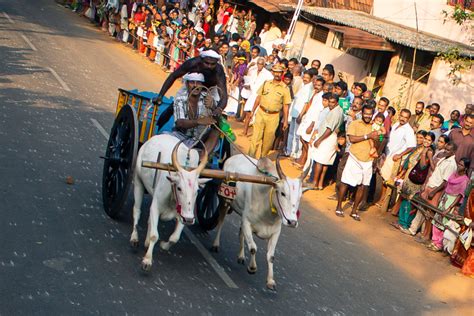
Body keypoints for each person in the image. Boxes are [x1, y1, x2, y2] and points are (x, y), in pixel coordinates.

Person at [403, 142, 458, 241]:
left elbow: (445, 182)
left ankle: (425, 235)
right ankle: (414, 230)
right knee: (421, 209)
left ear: (454, 152)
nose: (445, 151)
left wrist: (434, 192)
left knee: (429, 213)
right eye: (445, 148)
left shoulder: (451, 164)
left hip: (436, 189)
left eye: (448, 150)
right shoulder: (443, 159)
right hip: (430, 186)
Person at [335, 105, 379, 220]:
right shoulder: (355, 123)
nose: (368, 116)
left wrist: (376, 138)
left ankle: (354, 211)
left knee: (362, 186)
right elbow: (352, 139)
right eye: (366, 113)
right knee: (345, 182)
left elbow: (377, 143)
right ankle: (339, 207)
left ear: (373, 114)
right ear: (362, 113)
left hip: (368, 160)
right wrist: (368, 136)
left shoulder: (375, 126)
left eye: (370, 114)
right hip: (354, 157)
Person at [156, 49, 228, 114]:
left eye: (212, 64)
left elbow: (223, 94)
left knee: (212, 112)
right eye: (207, 63)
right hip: (191, 87)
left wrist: (219, 109)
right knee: (172, 108)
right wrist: (160, 96)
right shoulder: (192, 63)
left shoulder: (218, 70)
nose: (209, 66)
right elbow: (173, 76)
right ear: (201, 60)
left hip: (210, 90)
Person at [428, 158, 470, 252]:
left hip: (452, 201)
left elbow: (459, 196)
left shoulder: (465, 180)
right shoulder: (453, 175)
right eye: (459, 164)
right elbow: (446, 187)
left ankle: (439, 244)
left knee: (444, 222)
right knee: (437, 220)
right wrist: (440, 198)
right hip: (445, 198)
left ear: (466, 168)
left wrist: (450, 207)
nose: (459, 166)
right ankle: (434, 241)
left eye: (462, 165)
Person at [248, 64, 290, 158]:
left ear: (282, 74)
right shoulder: (266, 83)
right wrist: (252, 111)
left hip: (274, 116)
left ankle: (262, 160)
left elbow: (286, 106)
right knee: (255, 137)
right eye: (275, 72)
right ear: (272, 72)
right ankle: (250, 158)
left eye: (279, 72)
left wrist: (286, 121)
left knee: (268, 140)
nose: (277, 74)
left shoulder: (285, 89)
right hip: (261, 112)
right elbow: (258, 98)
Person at [172, 72, 217, 154]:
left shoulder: (207, 98)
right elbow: (180, 123)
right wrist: (198, 121)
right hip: (180, 137)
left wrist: (213, 106)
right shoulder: (180, 99)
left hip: (201, 139)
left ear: (202, 84)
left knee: (215, 132)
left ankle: (202, 159)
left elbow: (218, 119)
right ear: (187, 84)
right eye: (192, 82)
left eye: (198, 82)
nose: (195, 85)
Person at [309, 93, 344, 190]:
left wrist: (319, 140)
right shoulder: (338, 111)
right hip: (331, 138)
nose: (330, 104)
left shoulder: (335, 112)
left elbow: (329, 129)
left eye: (333, 102)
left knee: (319, 161)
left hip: (327, 138)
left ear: (337, 102)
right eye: (329, 102)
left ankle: (315, 182)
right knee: (325, 163)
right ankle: (320, 184)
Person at [380, 109, 416, 183]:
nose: (403, 119)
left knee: (385, 180)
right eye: (401, 116)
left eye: (405, 117)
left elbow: (412, 146)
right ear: (399, 116)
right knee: (379, 176)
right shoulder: (396, 124)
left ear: (409, 119)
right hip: (386, 154)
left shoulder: (409, 130)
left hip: (393, 158)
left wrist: (400, 155)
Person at [241, 57, 273, 136]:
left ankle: (255, 135)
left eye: (261, 64)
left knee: (257, 116)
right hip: (252, 95)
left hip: (260, 96)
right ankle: (245, 131)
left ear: (264, 65)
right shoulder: (253, 71)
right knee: (248, 113)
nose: (259, 65)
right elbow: (250, 81)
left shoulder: (268, 74)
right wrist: (248, 86)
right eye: (258, 63)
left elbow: (270, 85)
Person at [286, 70, 314, 157]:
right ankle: (289, 151)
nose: (305, 79)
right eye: (304, 77)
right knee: (291, 133)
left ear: (311, 78)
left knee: (297, 135)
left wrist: (301, 115)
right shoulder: (303, 85)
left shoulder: (309, 88)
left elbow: (306, 103)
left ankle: (295, 153)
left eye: (307, 78)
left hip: (299, 114)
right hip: (294, 112)